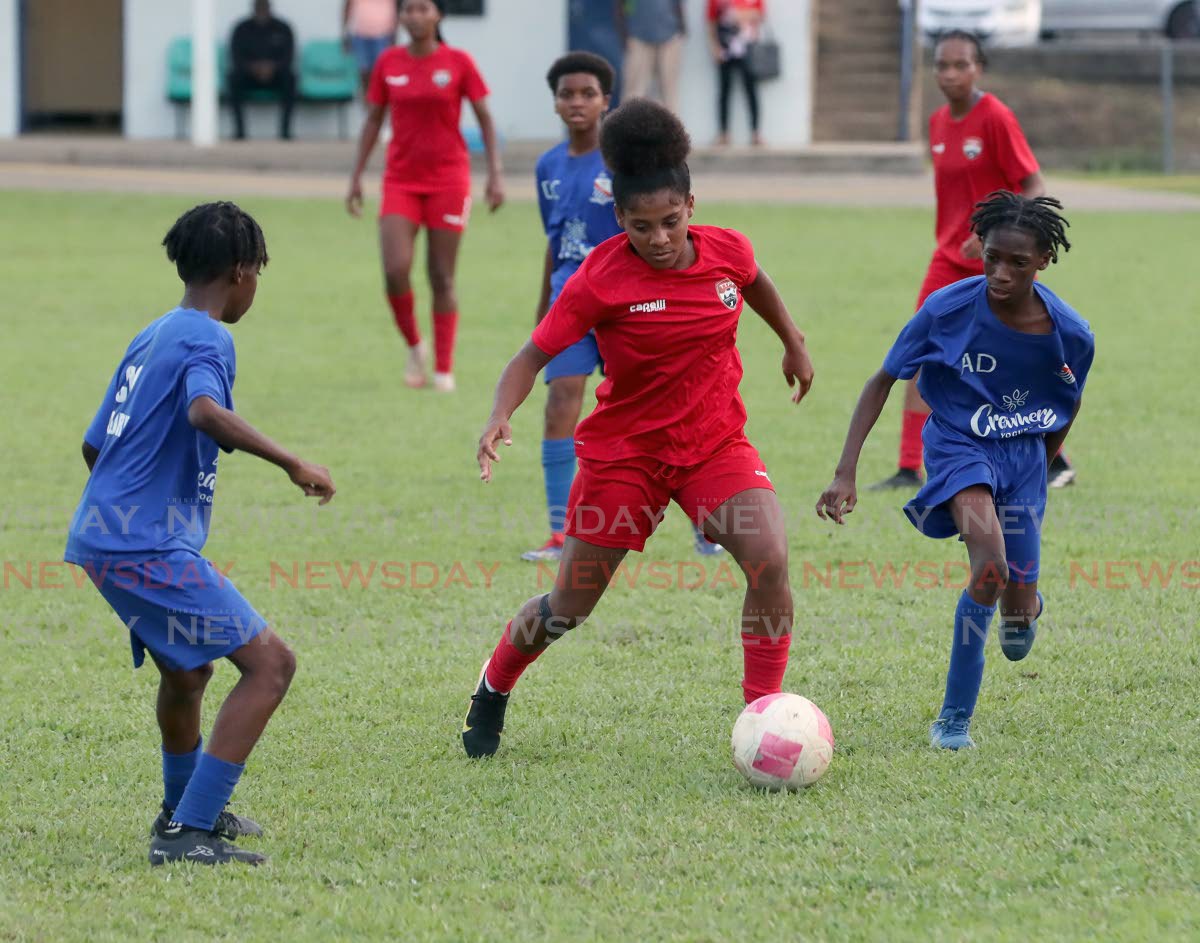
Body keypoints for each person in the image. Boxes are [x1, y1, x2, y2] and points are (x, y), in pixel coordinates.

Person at [463, 98, 815, 759]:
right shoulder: (600, 276)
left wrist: (793, 342)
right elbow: (531, 356)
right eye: (641, 225)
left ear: (691, 204)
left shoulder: (726, 251)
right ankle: (494, 683)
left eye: (671, 222)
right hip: (627, 457)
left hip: (713, 446)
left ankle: (762, 719)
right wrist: (498, 415)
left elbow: (756, 281)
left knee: (769, 558)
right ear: (619, 217)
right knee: (568, 606)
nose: (658, 238)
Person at [63, 202, 336, 865]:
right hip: (143, 545)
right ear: (242, 272)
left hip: (107, 535)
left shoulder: (152, 331)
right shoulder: (210, 337)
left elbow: (95, 445)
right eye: (258, 274)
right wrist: (291, 461)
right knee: (272, 665)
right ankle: (186, 835)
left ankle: (183, 808)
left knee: (188, 670)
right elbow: (205, 411)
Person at [816, 192, 1094, 751]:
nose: (1000, 272)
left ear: (1044, 261)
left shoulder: (1071, 334)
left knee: (1016, 613)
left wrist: (1035, 469)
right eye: (992, 257)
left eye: (1017, 262)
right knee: (988, 568)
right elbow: (882, 380)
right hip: (958, 445)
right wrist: (846, 471)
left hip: (1022, 458)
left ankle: (1028, 606)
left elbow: (1068, 404)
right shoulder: (946, 309)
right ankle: (953, 720)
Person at [524, 51, 723, 563]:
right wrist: (545, 306)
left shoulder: (625, 166)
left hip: (629, 305)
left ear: (605, 101)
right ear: (553, 102)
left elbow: (661, 229)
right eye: (567, 94)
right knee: (560, 399)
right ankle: (557, 532)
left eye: (587, 93)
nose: (576, 102)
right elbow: (555, 239)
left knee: (664, 414)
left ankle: (709, 519)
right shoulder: (546, 164)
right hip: (575, 298)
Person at [872, 30, 1075, 492]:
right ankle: (908, 466)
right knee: (921, 351)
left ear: (978, 68)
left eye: (960, 65)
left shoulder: (996, 117)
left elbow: (1034, 185)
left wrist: (1000, 234)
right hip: (947, 259)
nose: (949, 73)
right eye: (942, 65)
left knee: (1014, 361)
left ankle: (1055, 457)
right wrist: (960, 236)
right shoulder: (938, 122)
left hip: (997, 263)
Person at [346, 0, 504, 393]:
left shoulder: (458, 62)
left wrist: (495, 175)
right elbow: (372, 119)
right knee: (395, 269)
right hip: (401, 180)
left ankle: (443, 370)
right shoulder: (388, 62)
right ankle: (416, 346)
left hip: (449, 181)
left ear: (439, 16)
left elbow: (485, 117)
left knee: (441, 275)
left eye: (423, 9)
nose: (415, 16)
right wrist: (355, 177)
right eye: (408, 9)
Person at [229, 0, 296, 141]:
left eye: (264, 6)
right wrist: (253, 68)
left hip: (276, 75)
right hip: (249, 76)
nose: (261, 10)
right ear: (253, 8)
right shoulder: (241, 28)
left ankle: (285, 133)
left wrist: (272, 67)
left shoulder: (283, 28)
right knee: (233, 78)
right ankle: (239, 133)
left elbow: (289, 57)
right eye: (258, 7)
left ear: (270, 7)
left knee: (290, 78)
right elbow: (236, 57)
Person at [707, 0, 765, 147]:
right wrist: (714, 46)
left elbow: (759, 14)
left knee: (751, 91)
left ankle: (755, 133)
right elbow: (712, 21)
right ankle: (723, 133)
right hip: (725, 50)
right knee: (724, 91)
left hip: (748, 49)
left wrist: (736, 14)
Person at [614, 0, 686, 114]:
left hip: (670, 35)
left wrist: (681, 28)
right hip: (638, 36)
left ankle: (669, 131)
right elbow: (620, 5)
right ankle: (627, 131)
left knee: (669, 95)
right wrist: (624, 35)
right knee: (633, 94)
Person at [343, 0, 398, 94]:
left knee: (381, 72)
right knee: (363, 72)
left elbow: (395, 10)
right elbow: (347, 8)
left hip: (383, 34)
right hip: (360, 34)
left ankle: (380, 102)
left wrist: (394, 35)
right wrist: (345, 33)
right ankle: (367, 103)